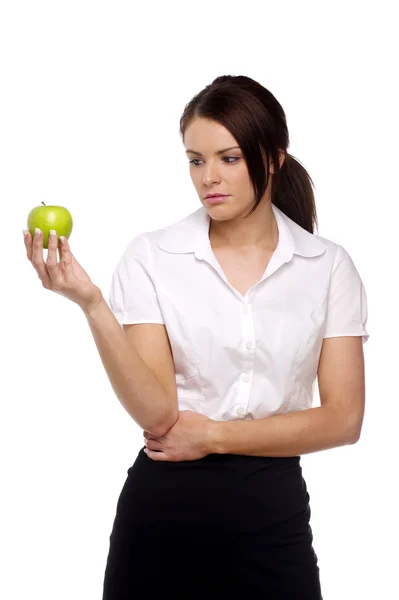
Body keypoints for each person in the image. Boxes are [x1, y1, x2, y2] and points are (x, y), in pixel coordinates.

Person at [23, 74, 369, 599]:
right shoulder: (152, 256)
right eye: (195, 159)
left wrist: (211, 436)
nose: (209, 177)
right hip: (162, 515)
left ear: (273, 158)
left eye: (228, 158)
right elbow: (158, 415)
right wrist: (92, 304)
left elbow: (344, 420)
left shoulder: (327, 267)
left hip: (273, 516)